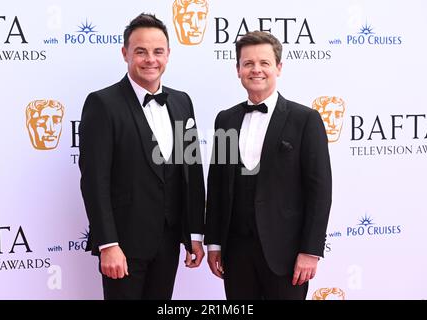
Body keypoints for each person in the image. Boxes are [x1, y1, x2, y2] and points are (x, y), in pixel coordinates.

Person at [79, 13, 205, 300]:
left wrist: (194, 234)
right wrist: (108, 244)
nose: (151, 59)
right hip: (123, 243)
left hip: (169, 239)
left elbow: (191, 172)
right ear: (125, 53)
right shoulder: (102, 103)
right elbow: (95, 181)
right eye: (141, 51)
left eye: (158, 51)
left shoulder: (182, 102)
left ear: (168, 54)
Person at [204, 31, 332, 300]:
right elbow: (217, 185)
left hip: (286, 255)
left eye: (264, 62)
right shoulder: (225, 120)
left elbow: (319, 190)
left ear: (279, 68)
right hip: (236, 251)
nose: (256, 69)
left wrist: (310, 251)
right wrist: (214, 243)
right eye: (248, 63)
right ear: (238, 69)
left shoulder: (305, 119)